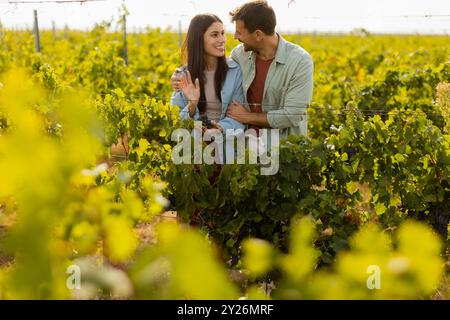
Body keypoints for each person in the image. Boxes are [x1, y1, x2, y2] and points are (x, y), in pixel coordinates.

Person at [172, 1, 314, 140]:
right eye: (216, 34)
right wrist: (179, 78)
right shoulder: (239, 56)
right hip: (245, 147)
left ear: (258, 35)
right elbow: (175, 119)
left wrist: (246, 117)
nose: (232, 37)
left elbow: (293, 114)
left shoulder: (300, 61)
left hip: (284, 147)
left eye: (239, 32)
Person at [170, 13, 246, 135]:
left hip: (228, 142)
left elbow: (239, 118)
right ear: (199, 39)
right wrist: (191, 105)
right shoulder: (183, 76)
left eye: (222, 33)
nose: (222, 40)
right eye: (214, 35)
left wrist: (219, 129)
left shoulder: (235, 71)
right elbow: (174, 120)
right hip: (192, 143)